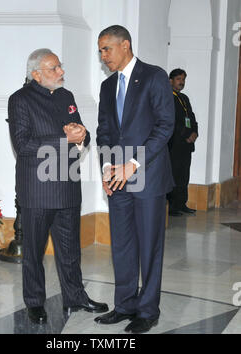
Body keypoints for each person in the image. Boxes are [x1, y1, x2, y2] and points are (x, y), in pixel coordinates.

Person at [8, 48, 108, 324]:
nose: (61, 72)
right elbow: (23, 144)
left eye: (60, 66)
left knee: (70, 249)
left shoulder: (67, 97)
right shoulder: (20, 100)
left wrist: (81, 137)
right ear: (36, 74)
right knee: (34, 252)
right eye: (54, 68)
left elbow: (81, 136)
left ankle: (76, 297)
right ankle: (34, 303)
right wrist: (64, 139)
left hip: (67, 185)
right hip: (37, 189)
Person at [95, 25, 175, 333]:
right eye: (100, 51)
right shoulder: (106, 86)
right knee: (123, 245)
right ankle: (125, 304)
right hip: (117, 180)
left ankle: (147, 310)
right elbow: (104, 132)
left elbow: (165, 127)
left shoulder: (154, 77)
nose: (103, 56)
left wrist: (132, 163)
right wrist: (106, 169)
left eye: (107, 49)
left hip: (148, 177)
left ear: (125, 45)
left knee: (150, 247)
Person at [167, 69, 198, 216]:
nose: (181, 82)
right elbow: (171, 120)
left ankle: (181, 203)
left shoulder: (184, 98)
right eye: (178, 79)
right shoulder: (167, 97)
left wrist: (194, 132)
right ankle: (171, 206)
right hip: (175, 144)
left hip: (186, 145)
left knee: (184, 175)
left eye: (183, 79)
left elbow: (191, 118)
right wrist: (186, 134)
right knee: (174, 174)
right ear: (170, 80)